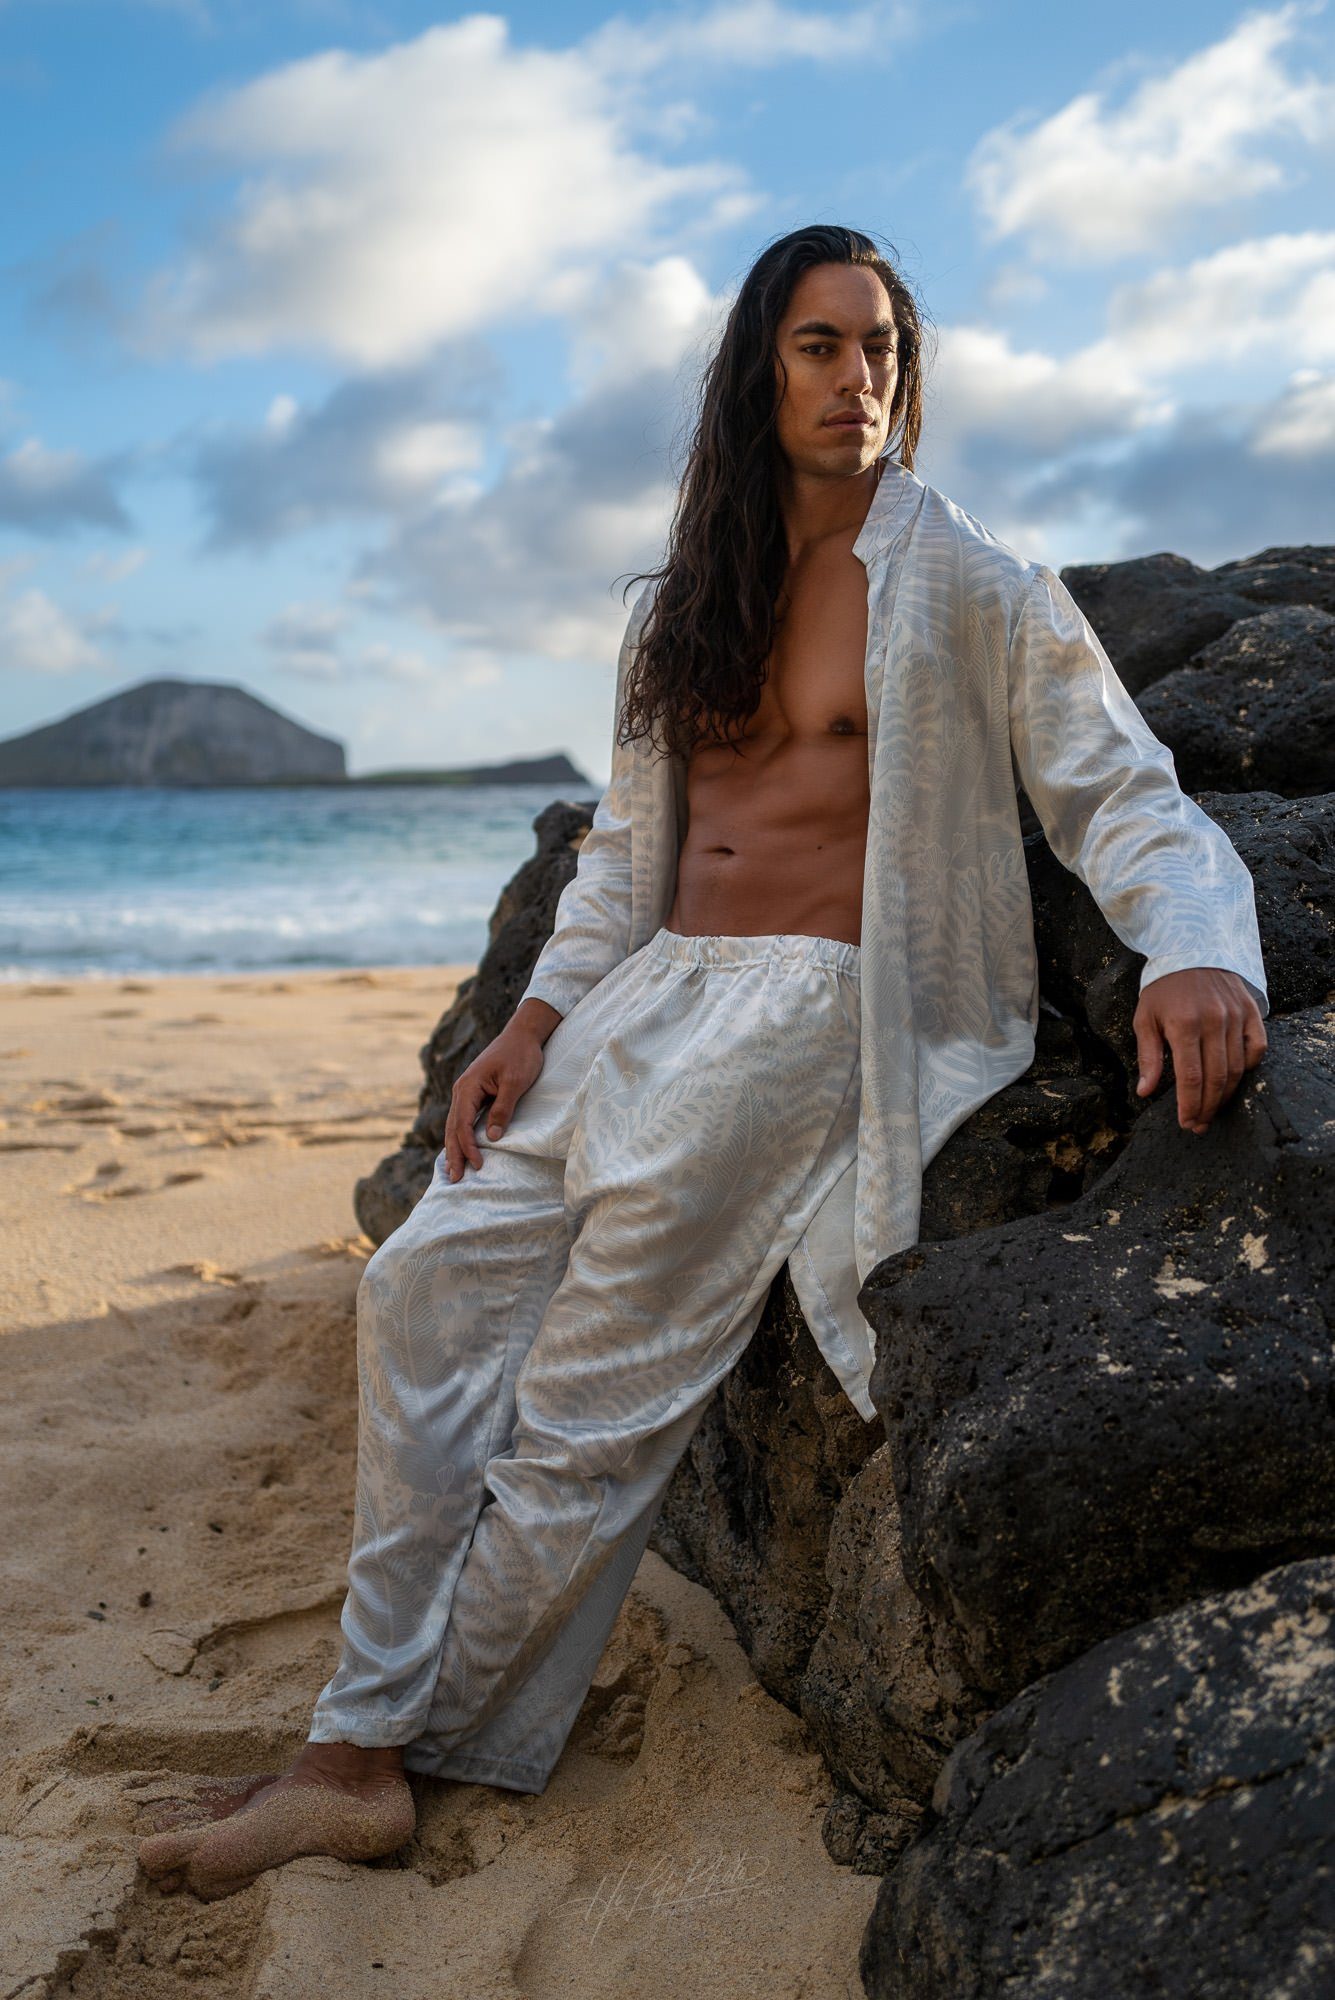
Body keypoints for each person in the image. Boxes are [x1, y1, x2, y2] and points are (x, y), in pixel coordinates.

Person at [136, 225, 1269, 1901]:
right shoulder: (690, 607)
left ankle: (365, 1758)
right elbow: (627, 854)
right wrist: (529, 1019)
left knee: (592, 1400)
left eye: (880, 347)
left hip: (814, 1007)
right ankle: (358, 1735)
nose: (857, 378)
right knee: (421, 1293)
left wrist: (1195, 946)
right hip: (643, 999)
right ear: (757, 372)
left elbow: (1120, 787)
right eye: (819, 346)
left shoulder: (968, 584)